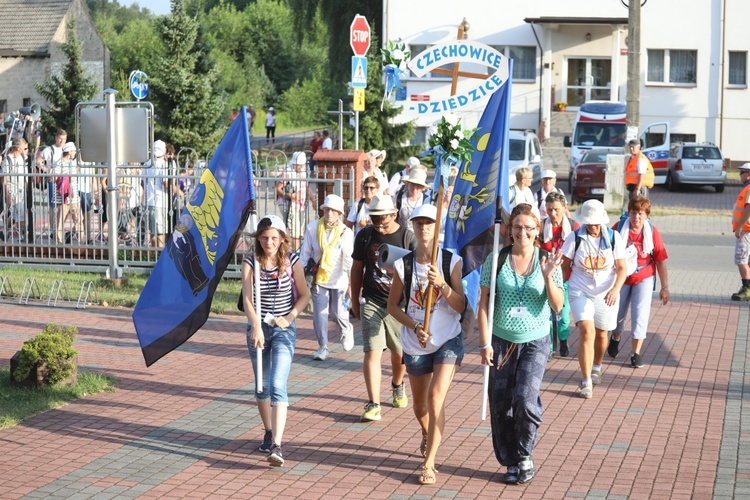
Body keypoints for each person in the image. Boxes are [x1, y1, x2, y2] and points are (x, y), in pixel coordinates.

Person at [478, 203, 564, 485]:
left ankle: (525, 454)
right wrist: (484, 343)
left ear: (537, 230)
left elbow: (558, 304)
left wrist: (549, 276)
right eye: (517, 227)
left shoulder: (547, 259)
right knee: (500, 405)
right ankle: (510, 460)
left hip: (534, 341)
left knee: (525, 400)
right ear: (509, 229)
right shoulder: (497, 259)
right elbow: (483, 304)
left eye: (529, 227)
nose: (522, 232)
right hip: (501, 342)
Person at [386, 203, 465, 485]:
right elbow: (393, 306)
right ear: (413, 227)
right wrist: (415, 326)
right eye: (418, 223)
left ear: (437, 227)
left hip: (447, 338)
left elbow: (460, 306)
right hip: (415, 342)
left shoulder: (450, 261)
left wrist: (442, 285)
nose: (423, 228)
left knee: (435, 399)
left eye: (429, 223)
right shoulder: (403, 264)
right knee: (420, 407)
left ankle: (429, 463)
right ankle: (427, 432)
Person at [241, 214, 310, 467]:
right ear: (257, 239)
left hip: (283, 330)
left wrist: (291, 317)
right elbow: (248, 299)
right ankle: (268, 430)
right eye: (263, 238)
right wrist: (256, 326)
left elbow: (304, 295)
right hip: (258, 329)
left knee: (278, 384)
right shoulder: (251, 262)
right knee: (261, 387)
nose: (268, 242)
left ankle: (277, 445)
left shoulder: (292, 261)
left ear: (282, 239)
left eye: (273, 238)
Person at [351, 194, 416, 422]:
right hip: (373, 302)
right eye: (375, 218)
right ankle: (373, 403)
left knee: (400, 355)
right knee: (372, 351)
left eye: (383, 218)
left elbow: (417, 274)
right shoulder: (365, 236)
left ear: (394, 214)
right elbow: (357, 269)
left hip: (399, 306)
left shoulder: (408, 238)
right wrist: (354, 299)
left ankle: (397, 384)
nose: (378, 223)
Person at [561, 200, 626, 399]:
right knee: (587, 331)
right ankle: (586, 380)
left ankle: (597, 365)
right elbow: (564, 267)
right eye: (590, 223)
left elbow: (622, 268)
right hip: (580, 290)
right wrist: (557, 290)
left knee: (601, 333)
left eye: (597, 223)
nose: (593, 227)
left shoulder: (614, 237)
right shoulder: (574, 238)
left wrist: (615, 289)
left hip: (606, 291)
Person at [607, 196, 670, 368]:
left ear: (646, 215)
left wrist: (664, 287)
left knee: (640, 314)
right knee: (618, 313)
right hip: (622, 277)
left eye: (640, 214)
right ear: (629, 213)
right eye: (633, 213)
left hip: (644, 278)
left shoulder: (652, 232)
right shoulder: (618, 229)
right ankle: (616, 336)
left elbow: (661, 261)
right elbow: (605, 252)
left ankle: (636, 353)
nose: (636, 218)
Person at [299, 194, 355, 361]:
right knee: (320, 315)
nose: (329, 213)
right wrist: (299, 276)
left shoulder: (346, 232)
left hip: (339, 278)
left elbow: (348, 259)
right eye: (327, 209)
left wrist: (351, 284)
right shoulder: (312, 228)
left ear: (339, 213)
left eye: (333, 210)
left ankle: (346, 330)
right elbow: (305, 254)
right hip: (319, 277)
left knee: (337, 313)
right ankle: (322, 346)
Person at [539, 191, 578, 358]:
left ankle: (563, 339)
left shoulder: (574, 226)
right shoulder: (541, 227)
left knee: (563, 316)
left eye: (556, 209)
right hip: (546, 278)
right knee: (547, 316)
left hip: (567, 278)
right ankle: (550, 346)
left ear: (564, 208)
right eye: (549, 210)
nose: (553, 214)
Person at [275, 152, 310, 251]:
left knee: (298, 230)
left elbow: (307, 187)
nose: (301, 166)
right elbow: (278, 189)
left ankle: (293, 250)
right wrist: (291, 195)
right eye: (299, 164)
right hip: (289, 205)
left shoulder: (303, 172)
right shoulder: (288, 172)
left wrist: (312, 199)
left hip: (300, 205)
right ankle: (296, 252)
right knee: (295, 230)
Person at [141, 140, 168, 247]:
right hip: (160, 201)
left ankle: (152, 254)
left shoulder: (147, 164)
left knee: (152, 232)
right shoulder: (163, 165)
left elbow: (142, 183)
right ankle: (159, 257)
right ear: (164, 150)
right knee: (161, 232)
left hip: (149, 201)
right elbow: (166, 183)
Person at [41, 129, 66, 239]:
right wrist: (46, 170)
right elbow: (38, 161)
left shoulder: (66, 149)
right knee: (53, 206)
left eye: (64, 139)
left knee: (64, 206)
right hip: (53, 181)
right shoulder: (49, 150)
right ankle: (53, 229)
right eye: (60, 138)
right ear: (56, 137)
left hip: (64, 180)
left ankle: (59, 228)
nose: (62, 141)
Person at [1, 138, 28, 240]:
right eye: (22, 147)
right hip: (12, 188)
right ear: (17, 148)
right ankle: (15, 233)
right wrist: (7, 195)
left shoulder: (22, 158)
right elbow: (4, 180)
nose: (24, 149)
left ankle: (11, 232)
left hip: (21, 189)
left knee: (18, 214)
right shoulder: (7, 160)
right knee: (16, 214)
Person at [732, 163, 750, 301]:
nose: (740, 175)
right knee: (746, 260)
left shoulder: (749, 188)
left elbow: (748, 209)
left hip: (746, 230)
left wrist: (739, 227)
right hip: (746, 229)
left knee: (741, 259)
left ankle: (747, 289)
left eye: (742, 172)